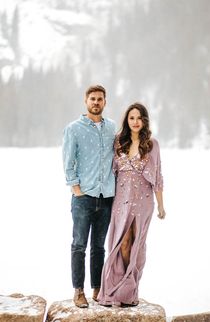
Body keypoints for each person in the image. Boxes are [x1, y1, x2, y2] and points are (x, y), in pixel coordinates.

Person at [98, 102, 166, 307]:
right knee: (122, 244)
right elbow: (109, 171)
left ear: (144, 121)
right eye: (132, 118)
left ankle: (130, 291)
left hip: (143, 201)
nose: (135, 122)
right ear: (127, 121)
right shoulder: (119, 142)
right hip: (121, 201)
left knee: (137, 246)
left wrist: (161, 206)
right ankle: (118, 287)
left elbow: (158, 175)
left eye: (139, 118)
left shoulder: (152, 144)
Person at [62, 85, 116, 308]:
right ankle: (78, 291)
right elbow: (68, 162)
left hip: (106, 198)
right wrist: (76, 189)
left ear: (105, 102)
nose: (96, 102)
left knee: (99, 247)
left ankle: (97, 288)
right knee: (79, 245)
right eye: (92, 99)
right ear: (86, 101)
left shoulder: (112, 127)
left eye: (100, 99)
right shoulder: (74, 128)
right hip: (83, 198)